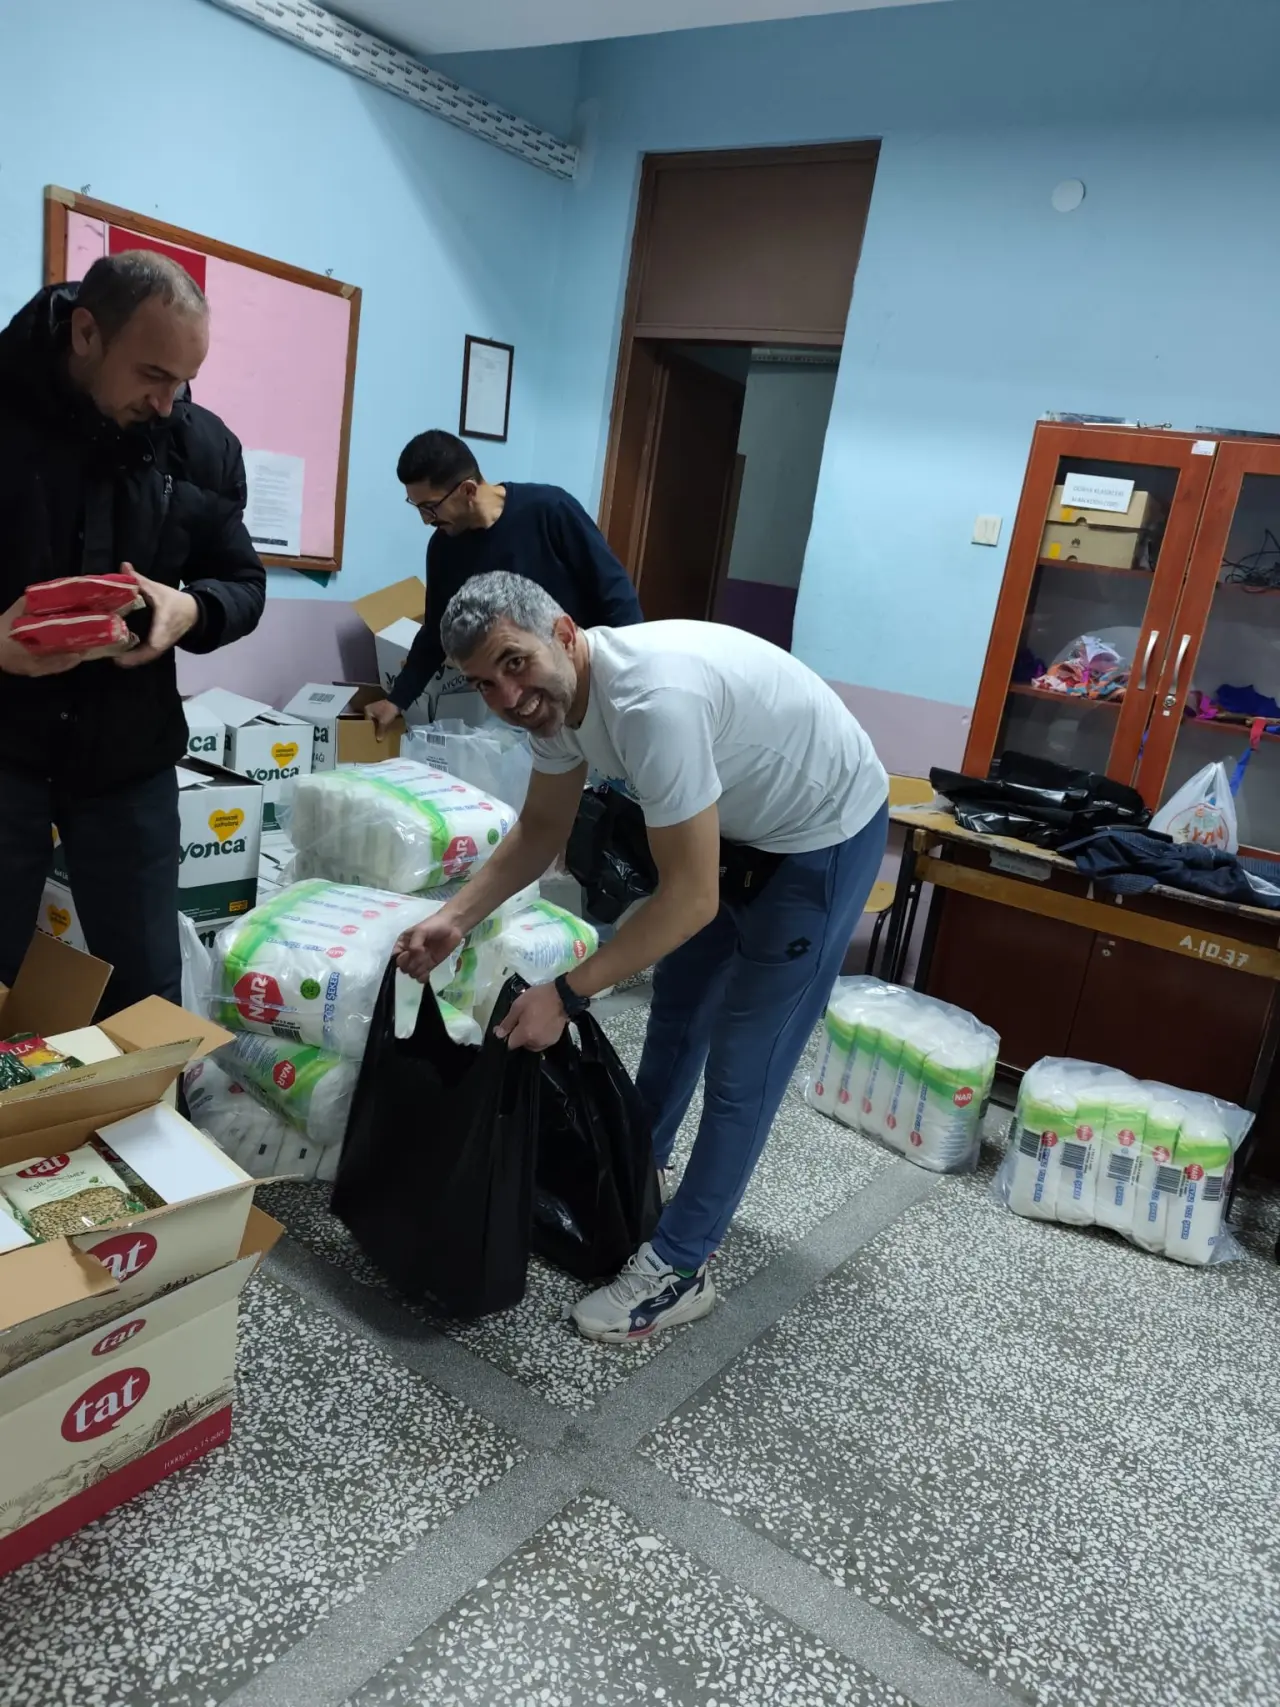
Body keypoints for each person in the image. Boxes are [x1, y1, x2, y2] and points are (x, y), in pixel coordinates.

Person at [397, 571, 889, 1343]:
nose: (508, 697)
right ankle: (634, 1170)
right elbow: (541, 828)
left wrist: (567, 992)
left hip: (820, 834)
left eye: (515, 663)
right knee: (678, 1011)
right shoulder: (554, 704)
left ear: (564, 634)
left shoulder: (653, 702)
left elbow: (690, 900)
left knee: (744, 1064)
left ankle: (682, 1264)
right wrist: (453, 918)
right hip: (736, 828)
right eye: (484, 682)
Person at [0, 251, 266, 1012]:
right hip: (4, 751)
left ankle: (146, 1094)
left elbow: (244, 583)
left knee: (147, 995)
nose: (166, 402)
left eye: (184, 380)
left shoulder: (199, 447)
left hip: (126, 759)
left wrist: (192, 610)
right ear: (86, 334)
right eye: (152, 374)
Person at [364, 429, 642, 733]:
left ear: (468, 490)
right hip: (519, 703)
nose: (426, 520)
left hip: (585, 685)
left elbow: (614, 593)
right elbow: (436, 633)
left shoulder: (549, 510)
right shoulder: (444, 549)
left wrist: (628, 674)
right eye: (417, 507)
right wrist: (397, 700)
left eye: (430, 507)